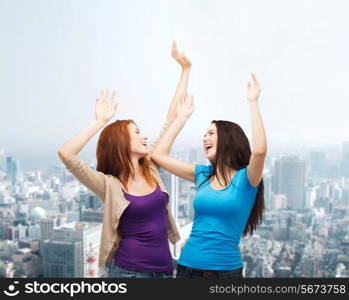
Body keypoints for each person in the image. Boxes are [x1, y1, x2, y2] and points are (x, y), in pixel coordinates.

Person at [57, 41, 191, 278]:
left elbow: (171, 119)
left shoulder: (151, 167)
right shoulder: (109, 184)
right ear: (121, 143)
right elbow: (67, 154)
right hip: (128, 273)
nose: (145, 135)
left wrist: (185, 70)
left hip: (164, 270)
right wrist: (100, 122)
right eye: (137, 132)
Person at [151, 73, 266, 278]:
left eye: (211, 133)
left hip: (225, 273)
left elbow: (259, 151)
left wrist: (253, 102)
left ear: (229, 139)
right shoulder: (203, 174)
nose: (205, 138)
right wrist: (182, 118)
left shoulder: (247, 179)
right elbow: (158, 155)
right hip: (187, 269)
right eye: (204, 134)